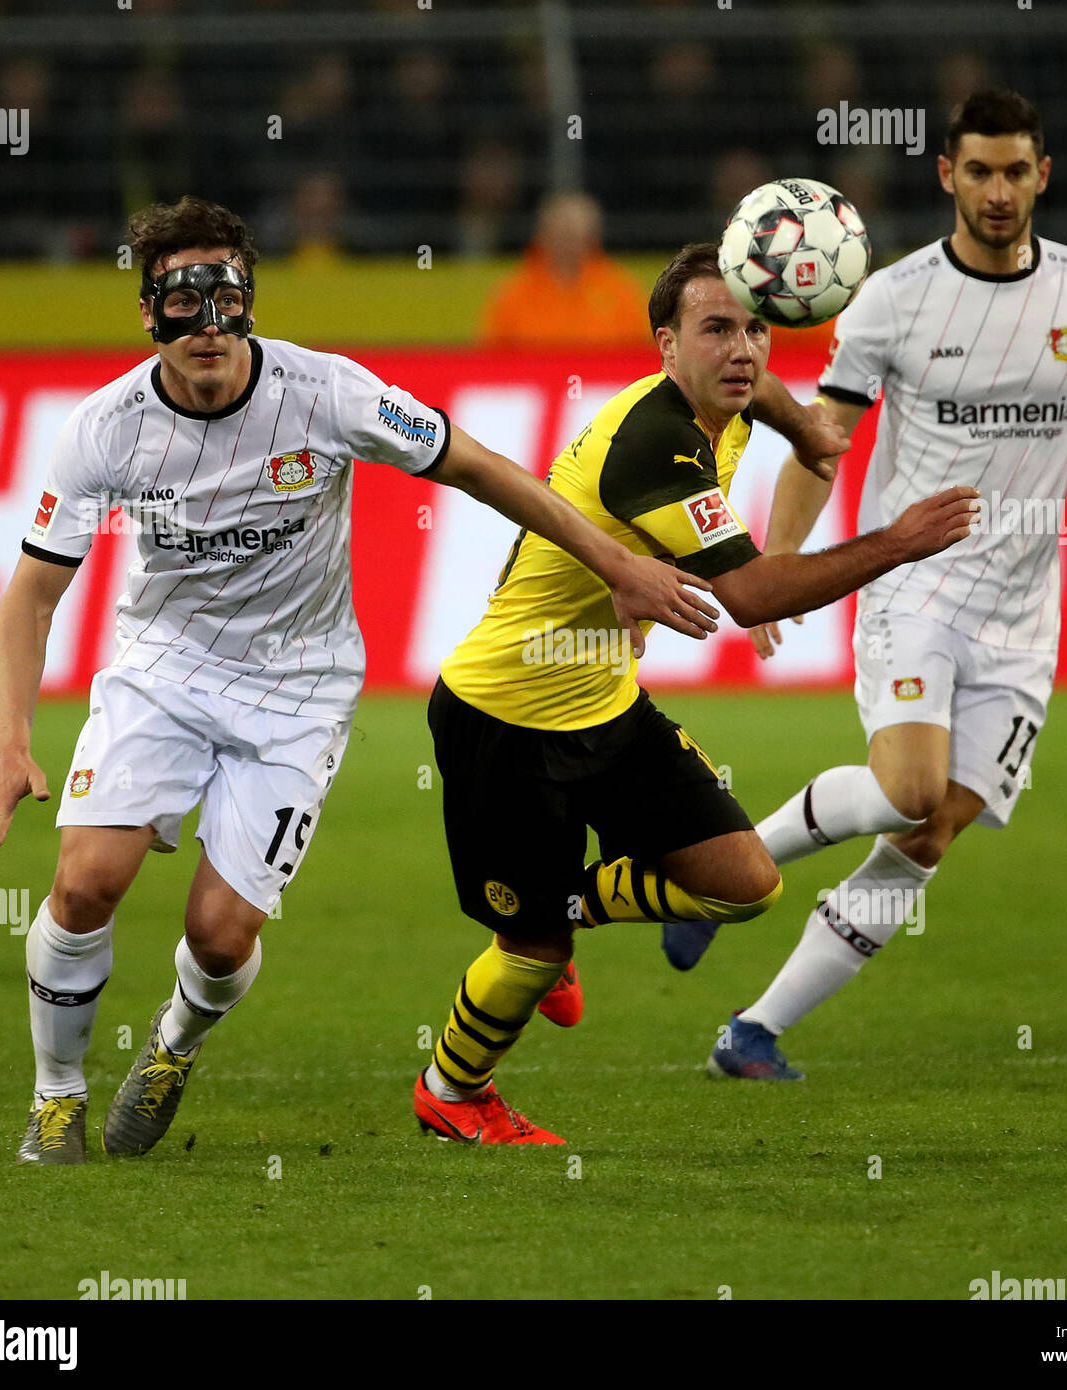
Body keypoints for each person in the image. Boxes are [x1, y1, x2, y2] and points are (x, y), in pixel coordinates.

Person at [0, 196, 721, 1166]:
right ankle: (56, 1099)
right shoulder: (103, 430)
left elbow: (483, 469)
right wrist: (8, 744)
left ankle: (171, 1046)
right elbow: (29, 596)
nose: (206, 321)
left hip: (300, 691)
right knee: (83, 883)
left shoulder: (326, 393)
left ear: (249, 299)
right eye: (181, 298)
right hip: (163, 669)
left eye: (225, 294)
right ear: (148, 312)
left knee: (218, 936)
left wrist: (614, 562)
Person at [663, 91, 1067, 1080]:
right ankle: (726, 865)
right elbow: (820, 446)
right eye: (978, 171)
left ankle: (752, 1030)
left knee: (929, 828)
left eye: (1014, 171)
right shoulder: (893, 299)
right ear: (944, 176)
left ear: (1041, 175)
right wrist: (775, 570)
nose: (996, 192)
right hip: (915, 586)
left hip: (1023, 614)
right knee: (909, 785)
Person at [413, 242, 980, 1144]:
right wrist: (898, 542)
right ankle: (454, 1088)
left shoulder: (734, 398)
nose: (743, 350)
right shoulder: (653, 443)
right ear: (665, 347)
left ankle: (569, 902)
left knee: (747, 884)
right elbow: (750, 593)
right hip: (504, 721)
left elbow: (762, 390)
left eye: (756, 327)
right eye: (716, 330)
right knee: (532, 952)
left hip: (606, 706)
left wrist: (803, 430)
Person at [479, 191, 645, 348]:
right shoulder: (514, 292)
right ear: (543, 234)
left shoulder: (619, 289)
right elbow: (492, 359)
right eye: (562, 234)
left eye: (576, 235)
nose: (569, 245)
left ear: (592, 237)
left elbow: (637, 354)